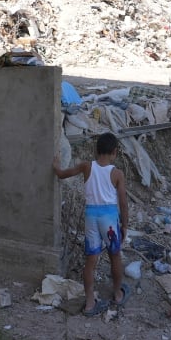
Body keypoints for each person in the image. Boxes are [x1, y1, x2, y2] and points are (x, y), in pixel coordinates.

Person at [54, 132, 130, 316]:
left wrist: (56, 166)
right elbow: (123, 202)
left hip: (91, 217)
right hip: (110, 219)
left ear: (96, 151)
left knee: (91, 260)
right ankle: (118, 294)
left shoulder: (86, 166)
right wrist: (125, 225)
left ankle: (89, 303)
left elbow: (63, 174)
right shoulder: (117, 173)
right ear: (114, 152)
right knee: (115, 256)